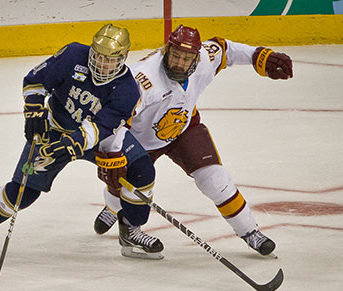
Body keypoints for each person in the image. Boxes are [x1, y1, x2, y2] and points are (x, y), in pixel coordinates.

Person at [0, 24, 164, 260]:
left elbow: (102, 127)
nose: (101, 64)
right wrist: (33, 110)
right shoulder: (72, 55)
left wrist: (71, 144)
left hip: (102, 141)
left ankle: (131, 229)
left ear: (122, 59)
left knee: (142, 170)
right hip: (53, 129)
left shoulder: (127, 90)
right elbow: (36, 80)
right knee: (24, 191)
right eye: (98, 56)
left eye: (109, 60)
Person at [93, 25, 293, 256]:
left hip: (184, 128)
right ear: (166, 50)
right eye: (175, 55)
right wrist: (112, 156)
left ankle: (250, 232)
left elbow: (226, 48)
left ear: (196, 58)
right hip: (139, 140)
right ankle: (114, 209)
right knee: (125, 187)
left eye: (186, 58)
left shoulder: (205, 59)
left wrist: (259, 56)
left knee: (215, 179)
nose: (179, 62)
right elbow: (116, 120)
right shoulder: (143, 80)